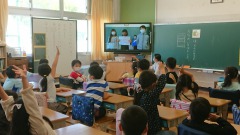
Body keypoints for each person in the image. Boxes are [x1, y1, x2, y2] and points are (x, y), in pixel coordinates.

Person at [0, 65, 55, 135]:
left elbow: (7, 104)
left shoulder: (16, 124)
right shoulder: (38, 128)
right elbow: (31, 105)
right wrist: (24, 78)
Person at [134, 62, 166, 135]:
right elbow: (162, 83)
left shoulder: (139, 90)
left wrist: (159, 69)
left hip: (143, 124)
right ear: (152, 84)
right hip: (152, 125)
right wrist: (162, 69)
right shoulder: (150, 95)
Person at [38, 47, 68, 114]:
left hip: (43, 105)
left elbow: (47, 90)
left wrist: (60, 89)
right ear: (49, 70)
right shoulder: (50, 78)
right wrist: (57, 55)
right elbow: (54, 65)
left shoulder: (40, 82)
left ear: (39, 73)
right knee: (66, 107)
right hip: (51, 105)